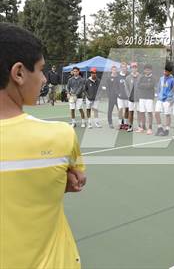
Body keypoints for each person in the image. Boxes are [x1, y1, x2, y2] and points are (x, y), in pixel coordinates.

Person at [0, 23, 86, 269]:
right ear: (18, 73)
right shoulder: (60, 136)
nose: (45, 78)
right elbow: (75, 180)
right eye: (40, 69)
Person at [155, 64, 174, 136]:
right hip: (160, 99)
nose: (165, 72)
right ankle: (160, 128)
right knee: (156, 113)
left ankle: (167, 130)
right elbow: (158, 88)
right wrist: (157, 95)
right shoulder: (161, 78)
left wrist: (172, 100)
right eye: (164, 71)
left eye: (166, 71)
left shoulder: (172, 80)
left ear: (170, 72)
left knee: (167, 114)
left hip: (168, 100)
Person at [138, 63, 156, 135]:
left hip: (149, 98)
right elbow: (138, 85)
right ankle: (143, 127)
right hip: (141, 97)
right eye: (146, 70)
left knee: (149, 113)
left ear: (151, 70)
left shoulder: (153, 78)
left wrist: (144, 85)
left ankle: (150, 128)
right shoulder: (141, 77)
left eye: (148, 70)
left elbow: (151, 86)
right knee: (142, 112)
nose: (147, 71)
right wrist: (146, 85)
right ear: (144, 70)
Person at [125, 62, 141, 132]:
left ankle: (139, 126)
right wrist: (129, 96)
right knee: (130, 112)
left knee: (139, 112)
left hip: (138, 99)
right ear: (131, 68)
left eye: (135, 67)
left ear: (137, 68)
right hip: (131, 99)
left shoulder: (141, 77)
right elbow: (126, 88)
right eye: (132, 67)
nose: (134, 69)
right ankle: (130, 126)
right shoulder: (128, 77)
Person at [117, 61, 129, 130]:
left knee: (127, 110)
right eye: (123, 67)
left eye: (125, 67)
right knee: (120, 110)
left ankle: (126, 124)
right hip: (120, 97)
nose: (124, 68)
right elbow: (115, 86)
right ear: (121, 68)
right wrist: (118, 93)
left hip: (127, 97)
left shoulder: (129, 75)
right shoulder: (118, 76)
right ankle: (120, 124)